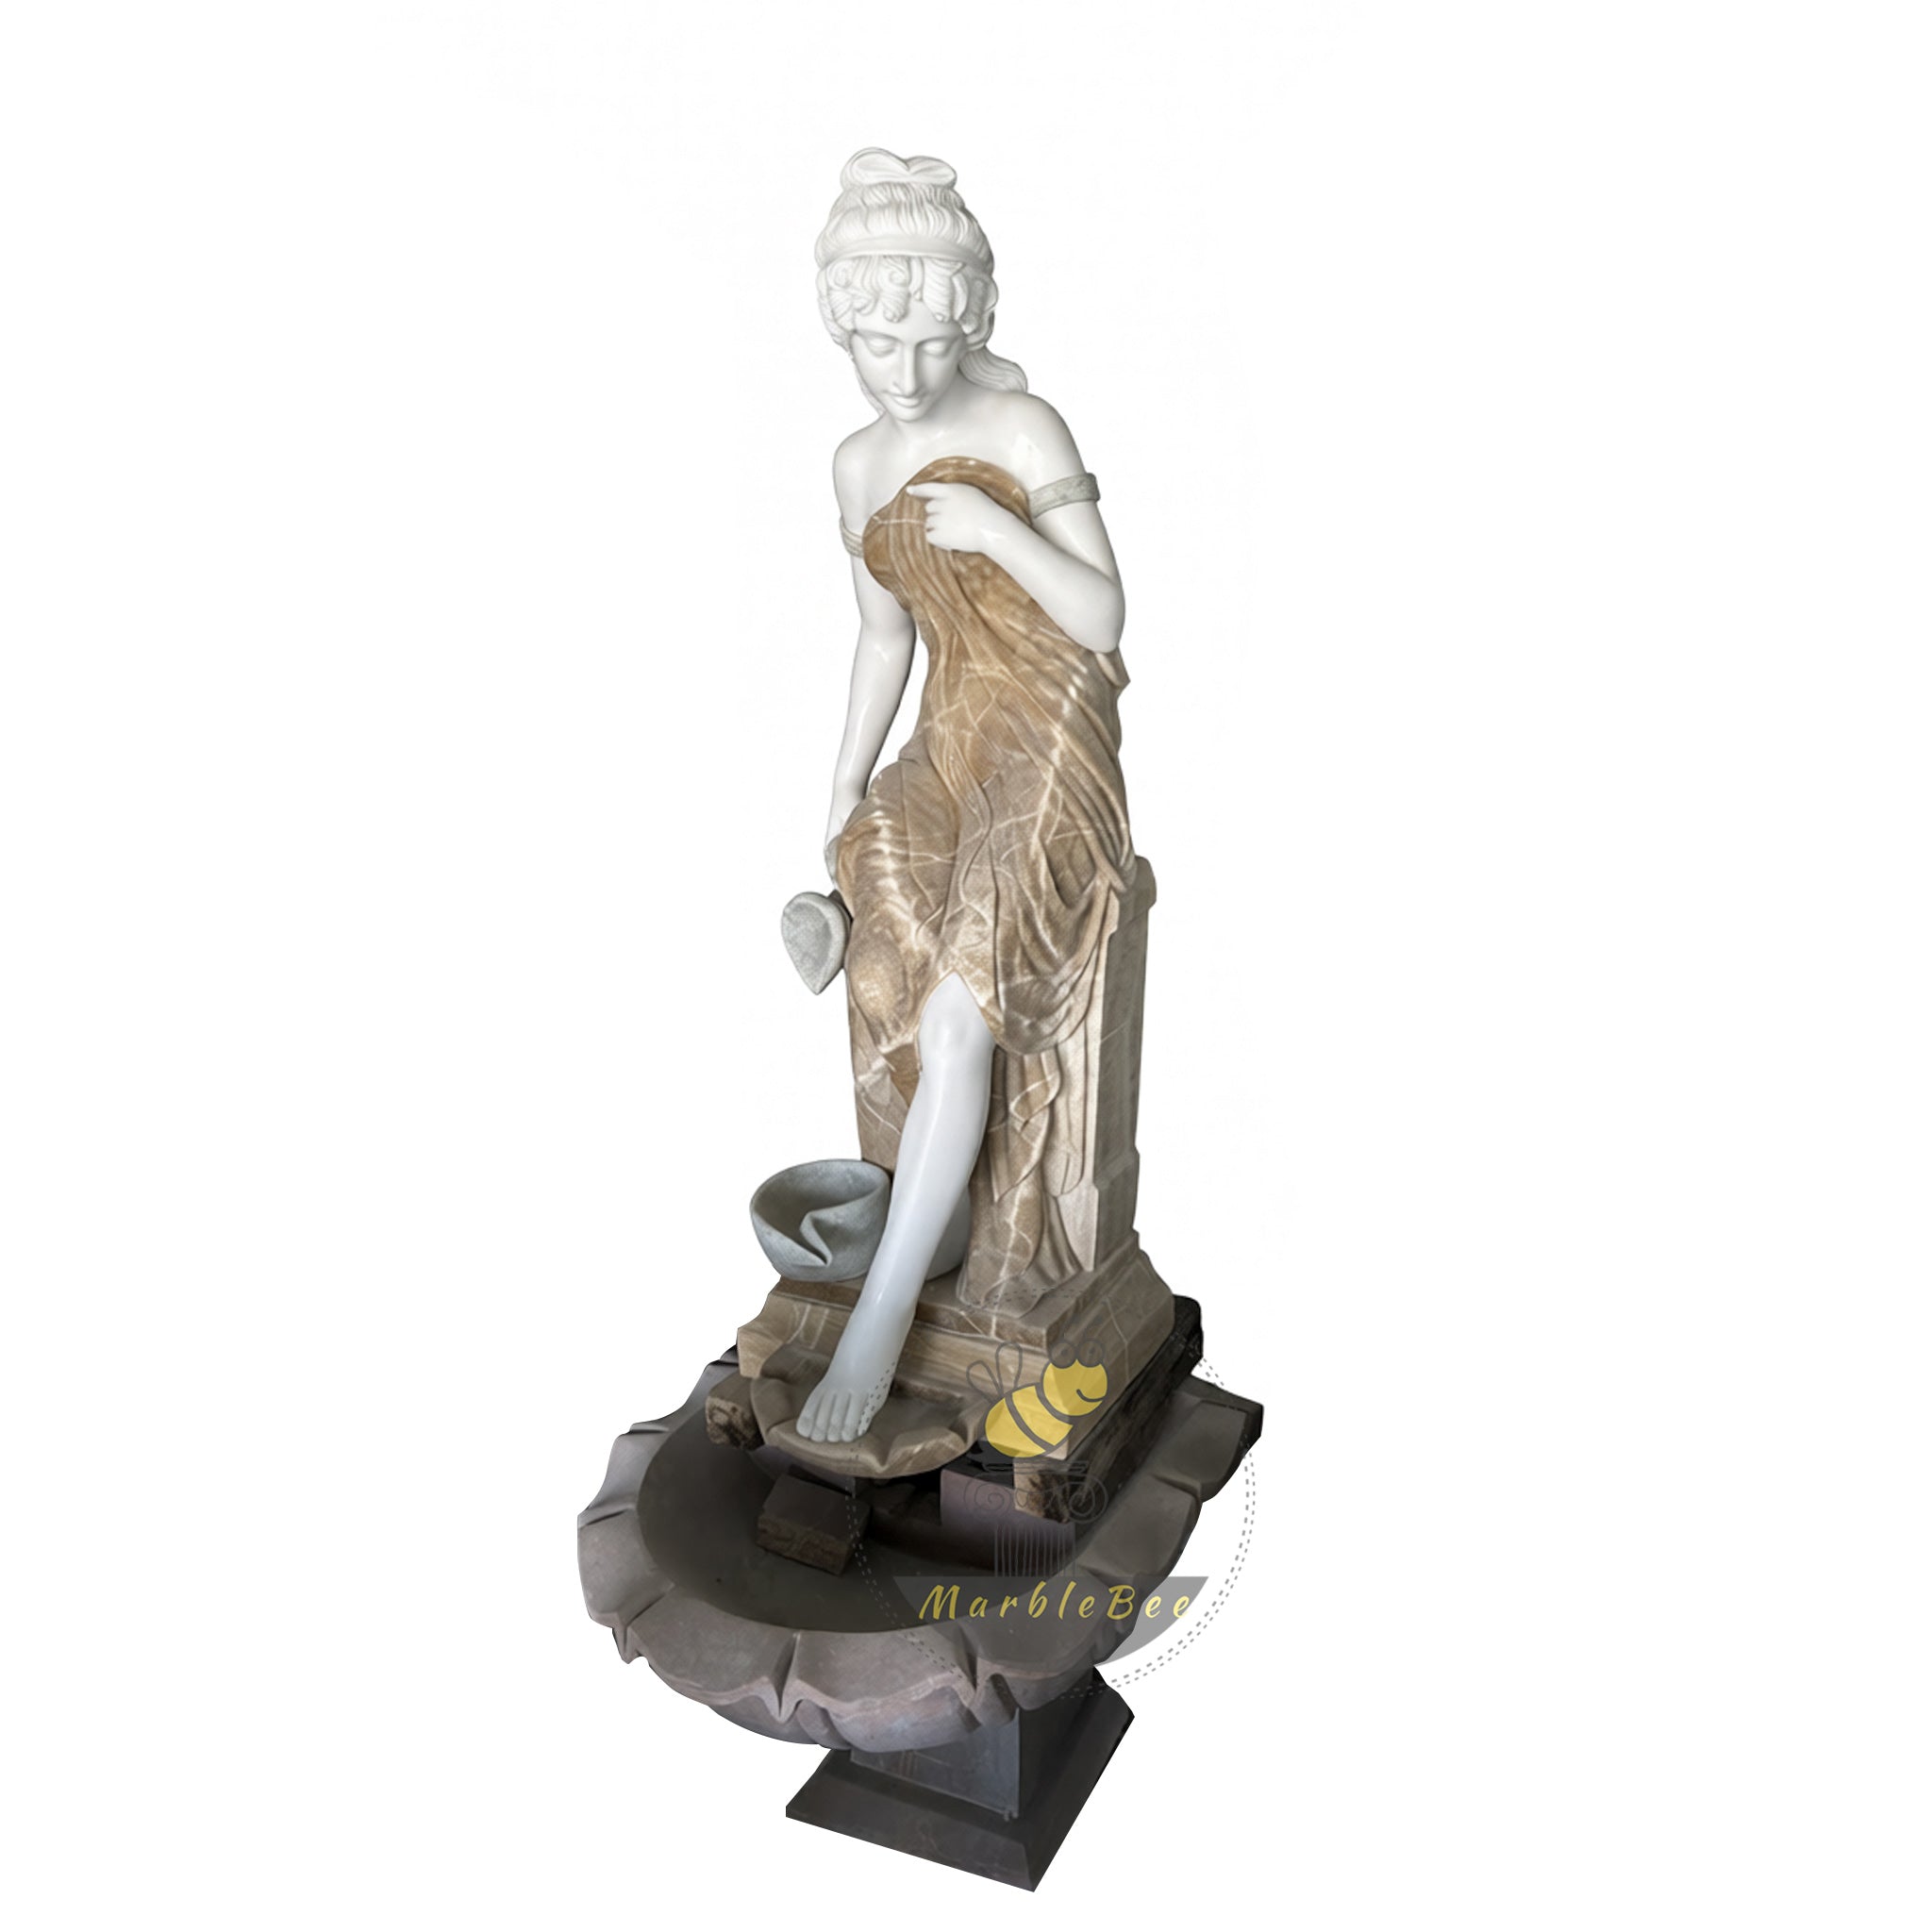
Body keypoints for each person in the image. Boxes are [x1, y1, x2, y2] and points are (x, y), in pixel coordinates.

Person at [795, 148, 1135, 1446]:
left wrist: (997, 532)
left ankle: (881, 1323)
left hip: (1046, 737)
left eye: (934, 343)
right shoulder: (854, 465)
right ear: (843, 326)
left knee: (958, 1010)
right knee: (883, 917)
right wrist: (842, 790)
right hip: (948, 736)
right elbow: (885, 635)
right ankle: (922, 1220)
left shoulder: (1022, 429)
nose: (907, 372)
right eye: (879, 343)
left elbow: (1102, 617)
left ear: (972, 324)